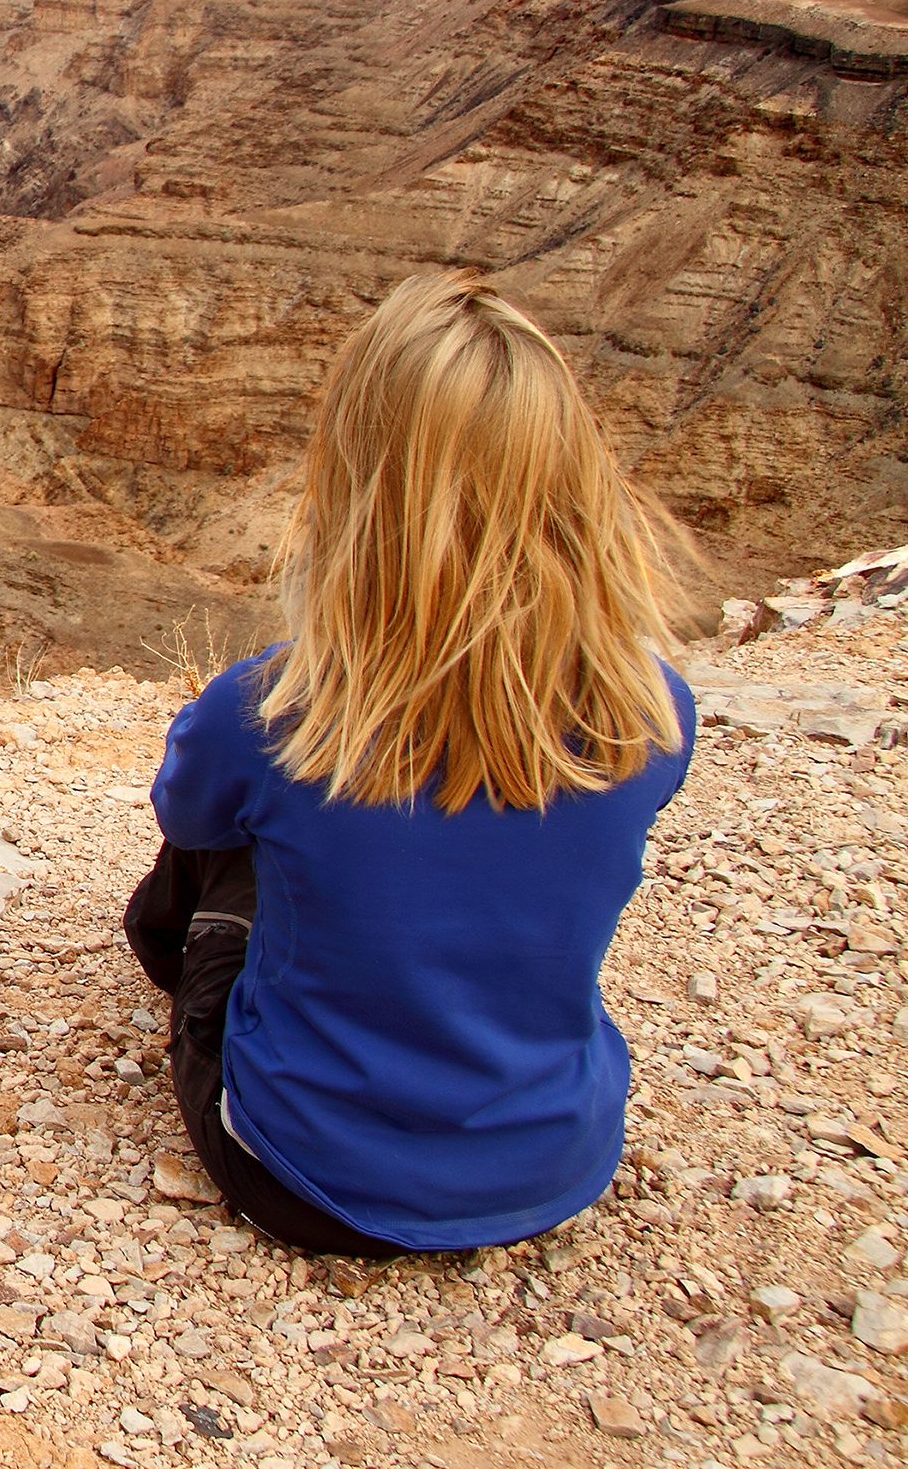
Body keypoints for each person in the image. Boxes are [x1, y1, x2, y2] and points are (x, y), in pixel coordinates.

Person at [124, 271, 696, 1256]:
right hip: (553, 1166)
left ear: (356, 481)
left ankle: (189, 990)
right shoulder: (653, 711)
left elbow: (183, 816)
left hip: (299, 1175)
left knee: (227, 841)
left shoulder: (277, 713)